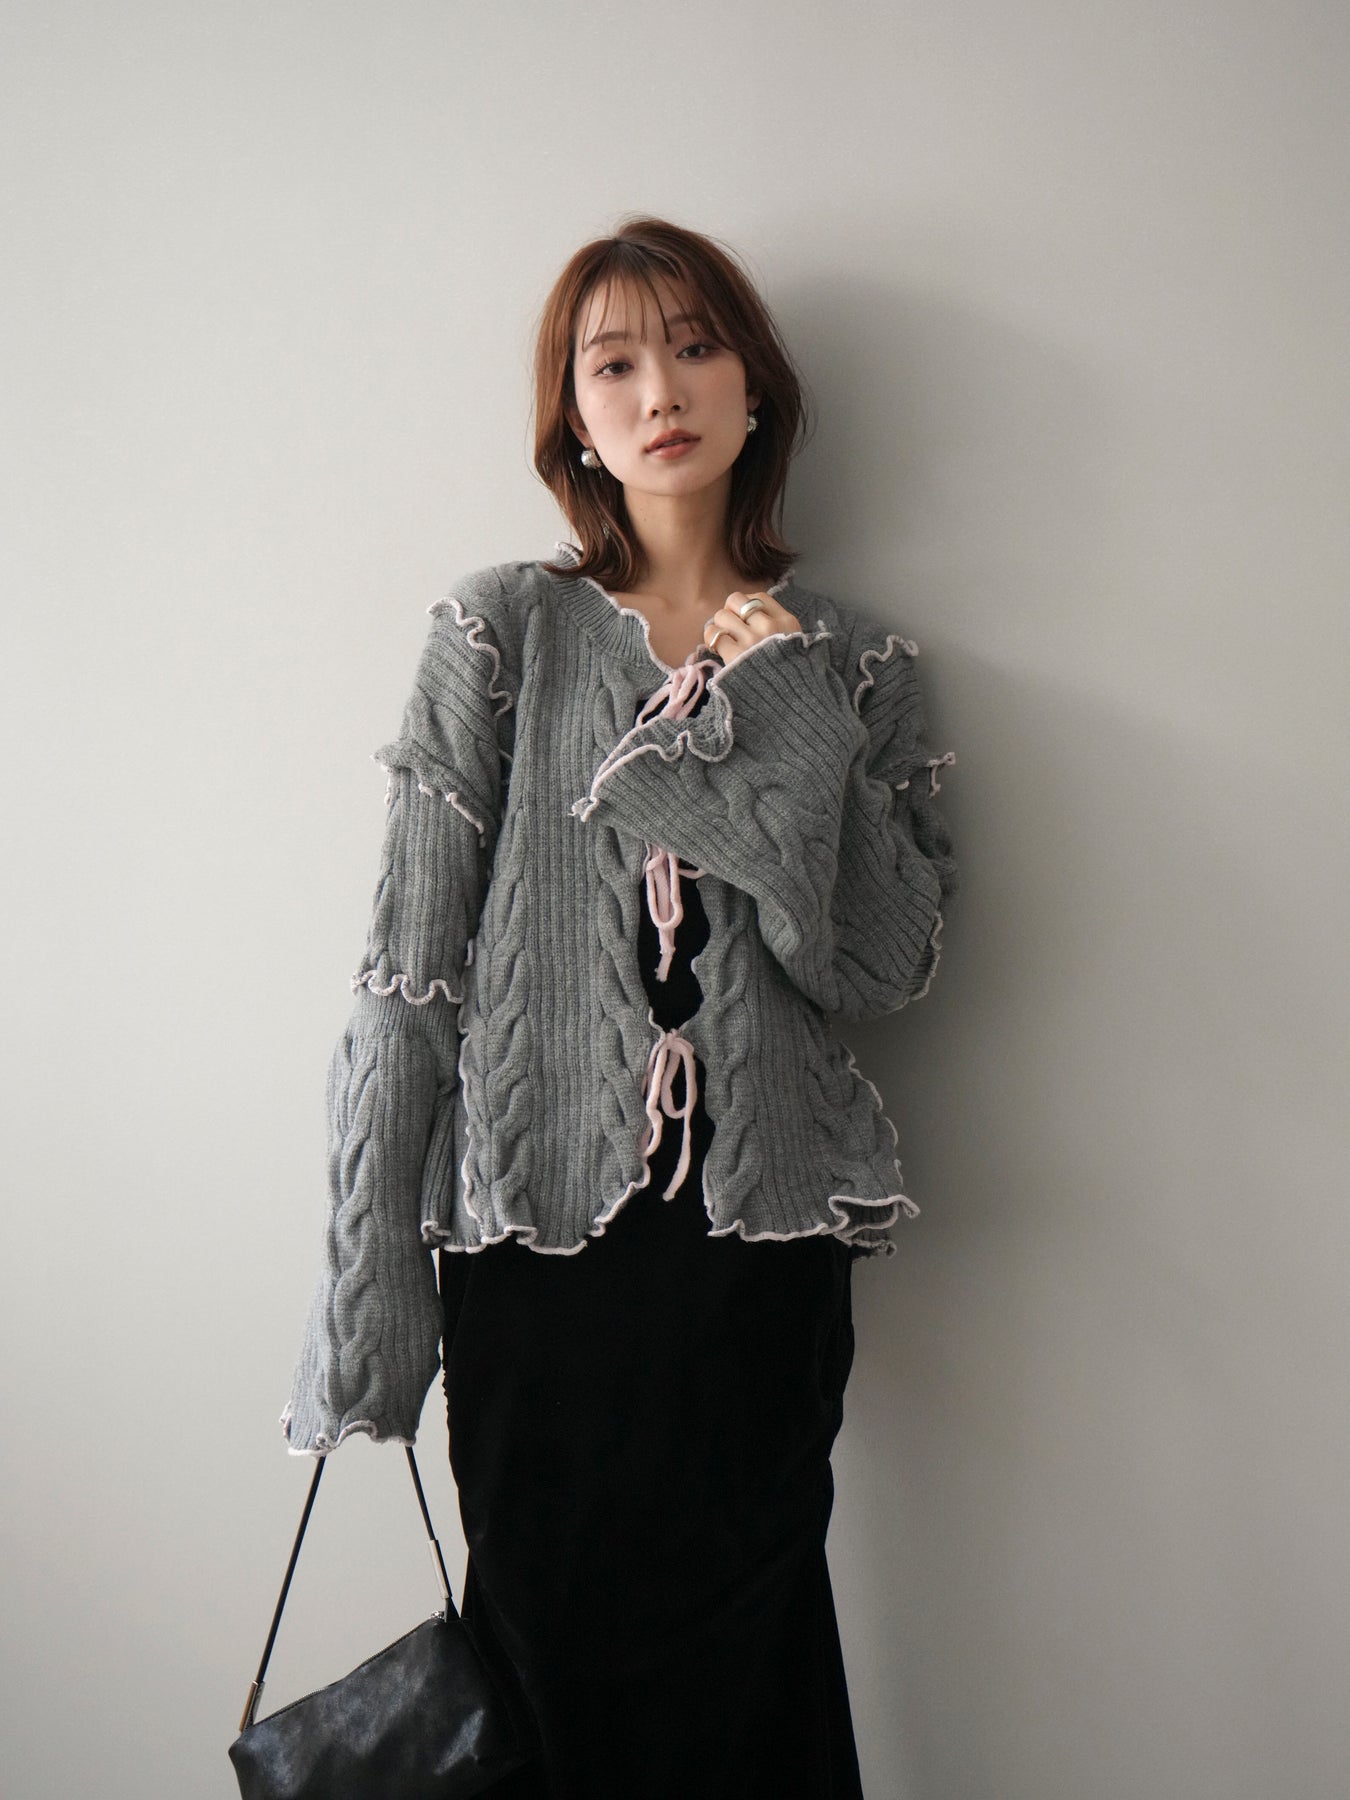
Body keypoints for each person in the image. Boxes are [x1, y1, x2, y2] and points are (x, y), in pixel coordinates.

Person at [279, 214, 959, 1798]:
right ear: (572, 420)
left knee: (755, 1686)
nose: (662, 389)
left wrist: (784, 719)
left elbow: (884, 967)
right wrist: (370, 1294)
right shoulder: (498, 634)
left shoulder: (854, 663)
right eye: (615, 363)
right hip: (533, 1263)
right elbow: (407, 977)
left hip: (756, 1267)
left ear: (754, 387)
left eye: (697, 347)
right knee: (546, 1685)